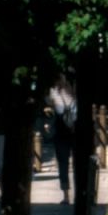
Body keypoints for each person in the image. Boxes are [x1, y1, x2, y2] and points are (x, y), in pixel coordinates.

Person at [47, 72, 77, 201]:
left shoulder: (55, 93)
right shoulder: (68, 92)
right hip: (69, 130)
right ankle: (70, 193)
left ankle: (67, 195)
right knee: (69, 163)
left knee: (64, 163)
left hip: (64, 130)